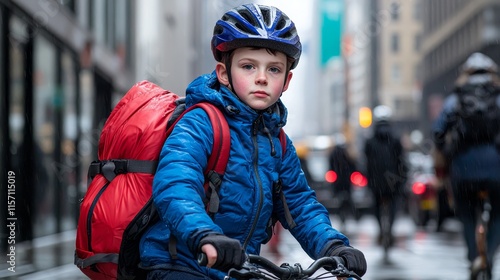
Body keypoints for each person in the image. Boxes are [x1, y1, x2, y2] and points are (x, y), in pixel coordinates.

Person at [139, 4, 367, 279]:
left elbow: (300, 205)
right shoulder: (200, 122)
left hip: (237, 269)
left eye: (273, 69)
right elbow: (176, 184)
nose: (261, 77)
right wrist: (204, 234)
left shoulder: (278, 143)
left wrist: (334, 246)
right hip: (179, 263)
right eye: (248, 66)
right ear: (224, 73)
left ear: (286, 81)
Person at [432, 52, 500, 278]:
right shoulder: (497, 96)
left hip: (464, 169)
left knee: (466, 214)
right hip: (495, 169)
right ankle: (488, 255)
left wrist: (448, 152)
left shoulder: (456, 98)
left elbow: (438, 132)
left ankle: (473, 257)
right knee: (499, 212)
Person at [363, 105, 407, 246]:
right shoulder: (395, 140)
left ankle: (381, 229)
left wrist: (369, 180)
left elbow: (366, 163)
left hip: (376, 181)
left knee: (376, 205)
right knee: (394, 204)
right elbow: (401, 161)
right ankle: (391, 229)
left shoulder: (370, 141)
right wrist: (402, 179)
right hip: (392, 180)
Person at [329, 133, 357, 226]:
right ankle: (352, 214)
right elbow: (353, 166)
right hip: (346, 180)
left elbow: (331, 167)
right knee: (348, 198)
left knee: (340, 200)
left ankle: (343, 216)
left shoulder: (333, 154)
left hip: (338, 181)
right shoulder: (347, 153)